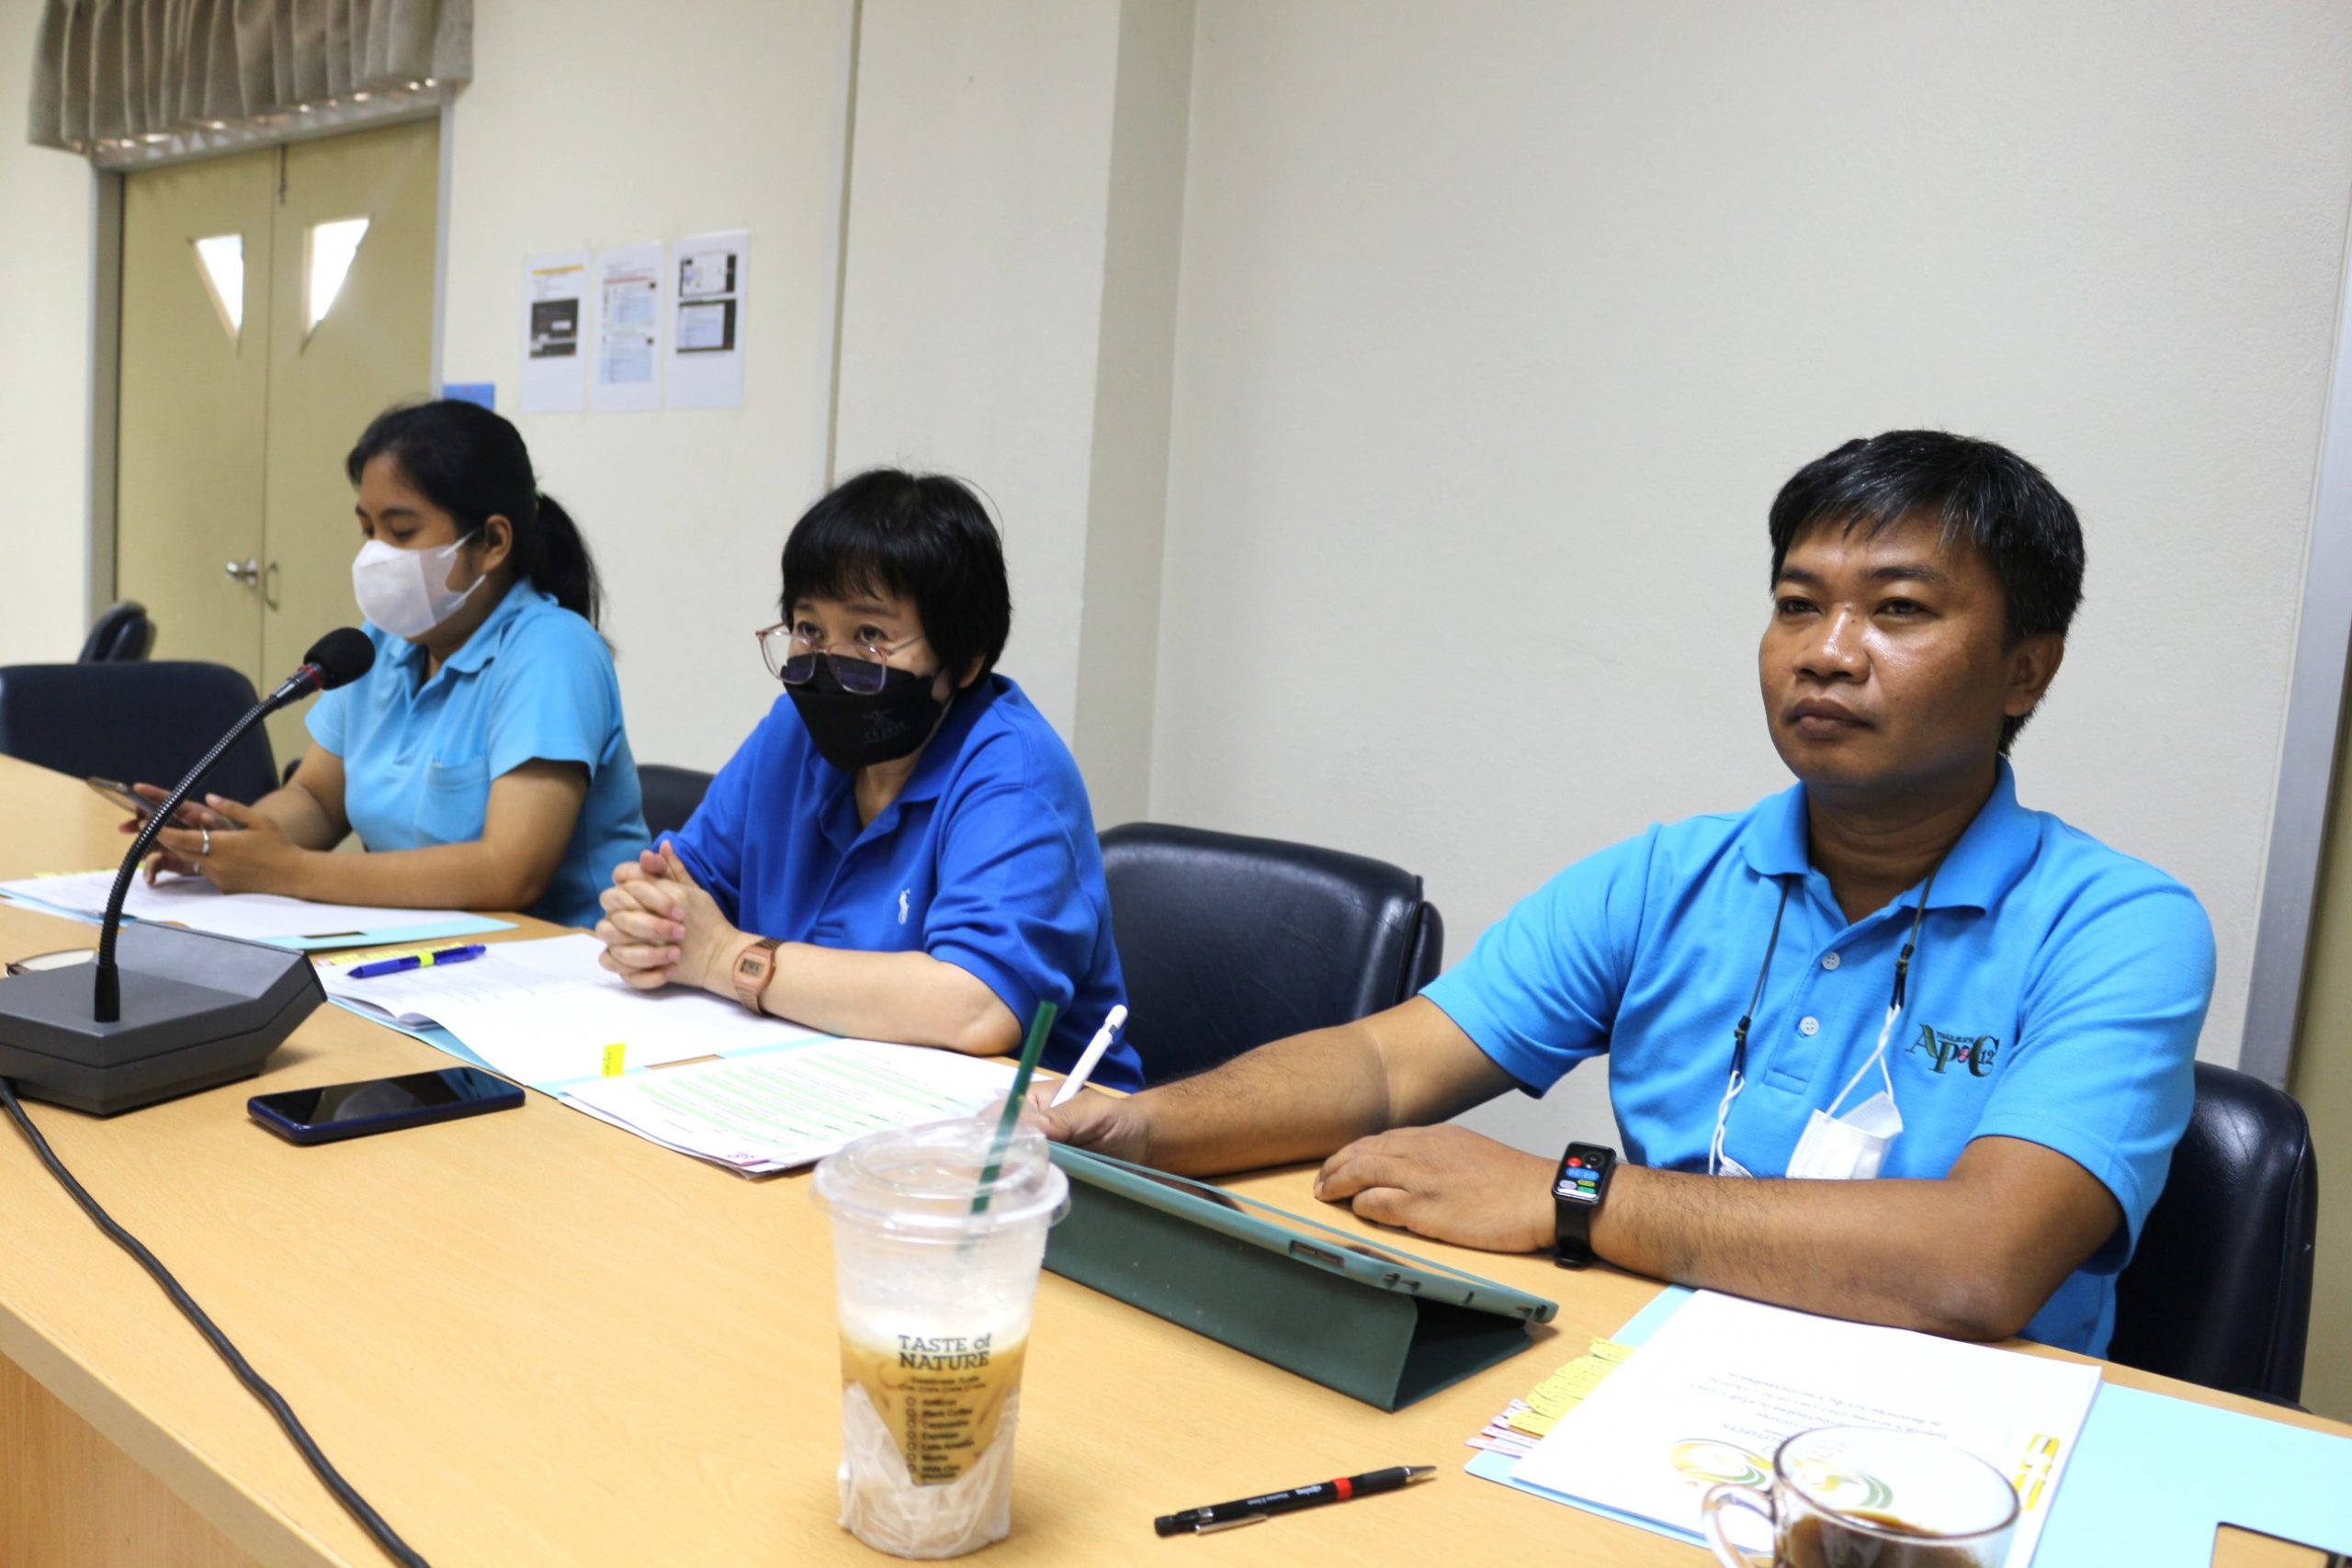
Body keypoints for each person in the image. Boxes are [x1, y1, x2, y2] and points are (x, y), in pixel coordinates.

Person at [1042, 430, 2213, 1357]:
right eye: (1797, 604)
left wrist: (1572, 1196)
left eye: (1897, 609)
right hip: (1655, 1367)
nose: (1826, 650)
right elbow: (1390, 1065)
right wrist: (1140, 1127)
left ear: (2025, 668)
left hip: (1949, 1451)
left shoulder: (2118, 926)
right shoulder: (1669, 876)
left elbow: (1977, 1261)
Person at [590, 469, 1138, 1089]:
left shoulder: (1016, 774)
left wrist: (725, 957)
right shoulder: (791, 734)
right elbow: (680, 891)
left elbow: (975, 1006)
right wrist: (648, 925)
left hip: (1023, 1127)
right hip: (810, 1084)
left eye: (870, 636)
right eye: (809, 629)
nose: (828, 664)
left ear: (964, 658)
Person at [131, 400, 648, 930]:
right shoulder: (377, 644)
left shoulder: (553, 651)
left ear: (493, 542)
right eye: (368, 530)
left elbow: (509, 871)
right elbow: (317, 799)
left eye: (400, 532)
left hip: (558, 958)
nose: (377, 554)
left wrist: (289, 871)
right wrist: (228, 841)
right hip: (418, 946)